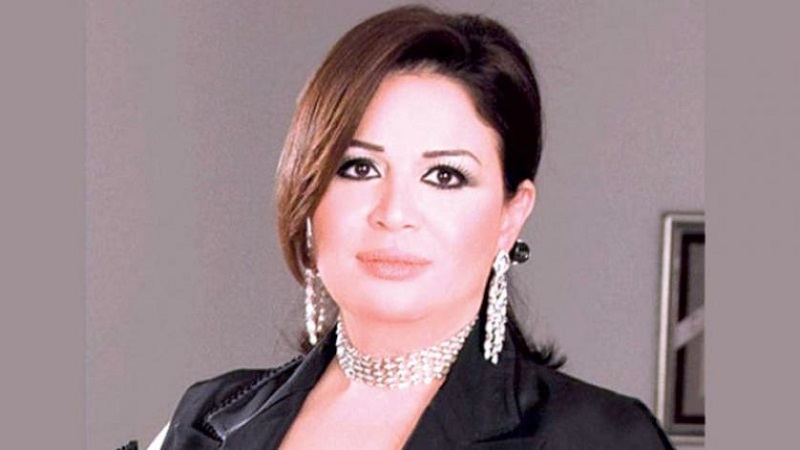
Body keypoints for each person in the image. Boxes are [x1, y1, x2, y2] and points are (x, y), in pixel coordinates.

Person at [157, 5, 674, 449]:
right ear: (308, 192)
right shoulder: (209, 418)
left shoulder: (598, 436)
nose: (394, 212)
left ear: (510, 215)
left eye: (444, 176)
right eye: (359, 168)